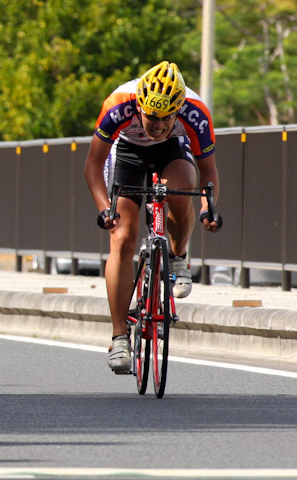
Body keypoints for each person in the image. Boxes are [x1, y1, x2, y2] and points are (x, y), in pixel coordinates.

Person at [83, 61, 222, 374]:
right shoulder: (118, 105)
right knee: (122, 236)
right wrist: (105, 207)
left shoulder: (195, 111)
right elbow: (93, 165)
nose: (158, 124)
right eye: (151, 116)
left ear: (179, 109)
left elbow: (208, 172)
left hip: (172, 151)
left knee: (181, 190)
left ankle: (178, 255)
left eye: (167, 117)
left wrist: (206, 208)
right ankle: (119, 335)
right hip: (127, 152)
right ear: (139, 106)